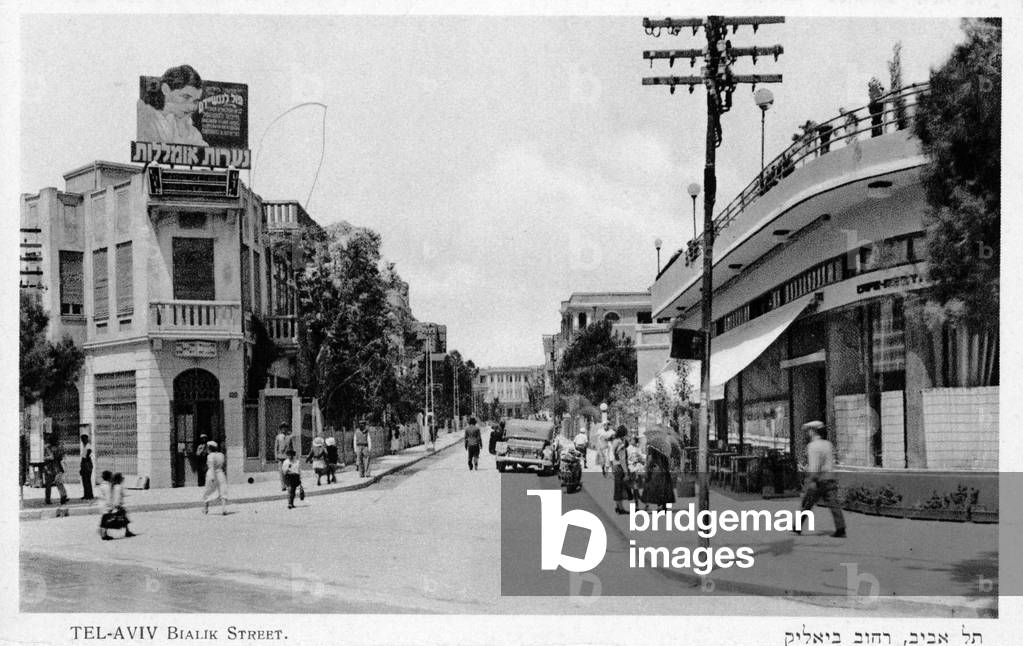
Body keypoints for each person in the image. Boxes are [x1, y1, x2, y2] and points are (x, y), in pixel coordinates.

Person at [795, 421, 846, 538]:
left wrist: (810, 480)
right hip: (829, 477)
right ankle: (841, 528)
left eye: (808, 431)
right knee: (833, 504)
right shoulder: (828, 444)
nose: (807, 434)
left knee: (808, 502)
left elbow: (814, 465)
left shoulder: (812, 446)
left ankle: (797, 526)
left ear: (812, 431)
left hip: (817, 480)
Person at [137, 65, 208, 146]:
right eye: (185, 97)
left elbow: (204, 151)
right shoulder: (143, 115)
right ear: (166, 90)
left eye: (195, 101)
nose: (192, 107)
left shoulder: (187, 127)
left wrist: (183, 129)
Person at [643, 442, 676, 511]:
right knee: (665, 487)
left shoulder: (652, 446)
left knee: (657, 487)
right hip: (665, 469)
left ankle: (660, 505)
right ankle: (664, 505)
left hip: (656, 470)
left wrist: (646, 469)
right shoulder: (667, 445)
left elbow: (650, 459)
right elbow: (670, 458)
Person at [201, 441, 228, 515]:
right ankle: (224, 508)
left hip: (212, 474)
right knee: (222, 490)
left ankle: (206, 508)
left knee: (208, 490)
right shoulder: (221, 455)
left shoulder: (210, 456)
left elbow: (211, 467)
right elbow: (223, 465)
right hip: (220, 473)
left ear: (209, 448)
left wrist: (212, 476)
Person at [107, 473, 136, 538]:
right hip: (118, 505)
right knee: (121, 519)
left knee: (124, 518)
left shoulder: (114, 486)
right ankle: (127, 531)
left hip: (115, 505)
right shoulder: (119, 487)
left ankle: (127, 531)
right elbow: (118, 496)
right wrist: (117, 505)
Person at [610, 426, 632, 514]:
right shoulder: (620, 444)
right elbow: (622, 460)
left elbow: (611, 455)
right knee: (620, 488)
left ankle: (618, 506)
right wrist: (626, 473)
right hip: (620, 467)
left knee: (618, 487)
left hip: (615, 466)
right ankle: (620, 509)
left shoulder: (614, 441)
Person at [42, 435, 68, 505]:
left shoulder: (48, 447)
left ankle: (48, 499)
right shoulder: (59, 447)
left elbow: (51, 457)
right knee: (59, 483)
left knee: (49, 484)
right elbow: (63, 457)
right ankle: (63, 496)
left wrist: (44, 458)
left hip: (50, 467)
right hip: (58, 467)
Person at [626, 435, 646, 507]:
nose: (633, 441)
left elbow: (642, 457)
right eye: (632, 439)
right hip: (632, 469)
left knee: (637, 487)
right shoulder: (627, 449)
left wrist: (640, 459)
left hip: (638, 469)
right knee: (635, 488)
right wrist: (631, 461)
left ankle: (639, 504)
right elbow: (626, 460)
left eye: (634, 439)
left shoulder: (638, 448)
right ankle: (641, 504)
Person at [274, 423, 291, 491]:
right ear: (280, 429)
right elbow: (276, 447)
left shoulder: (289, 436)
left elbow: (291, 446)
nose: (284, 429)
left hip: (287, 456)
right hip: (280, 456)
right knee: (281, 472)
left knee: (287, 471)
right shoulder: (278, 437)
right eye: (282, 428)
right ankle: (283, 486)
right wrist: (275, 455)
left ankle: (288, 484)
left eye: (285, 428)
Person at [79, 434, 94, 500]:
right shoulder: (85, 446)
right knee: (85, 481)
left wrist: (84, 463)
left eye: (83, 439)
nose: (82, 441)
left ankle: (89, 495)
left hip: (87, 465)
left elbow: (87, 454)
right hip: (85, 464)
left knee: (87, 480)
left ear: (86, 439)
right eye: (82, 439)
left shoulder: (88, 446)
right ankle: (86, 494)